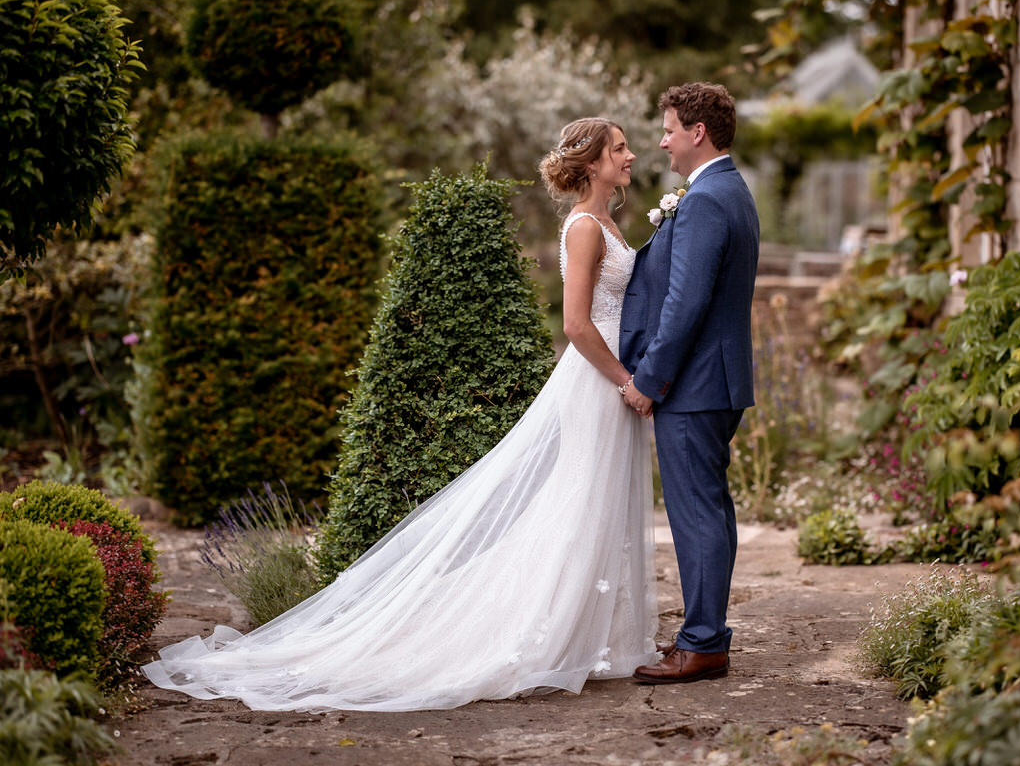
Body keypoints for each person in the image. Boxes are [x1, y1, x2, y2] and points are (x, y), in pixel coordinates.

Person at [141, 117, 658, 712]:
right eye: (619, 148)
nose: (630, 154)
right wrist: (626, 381)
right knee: (581, 501)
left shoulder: (609, 221)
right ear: (592, 163)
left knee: (597, 501)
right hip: (598, 380)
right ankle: (550, 634)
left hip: (614, 378)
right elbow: (573, 325)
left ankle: (594, 635)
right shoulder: (586, 228)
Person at [619, 82, 760, 684]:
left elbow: (685, 302)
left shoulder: (705, 200)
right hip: (717, 380)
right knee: (712, 510)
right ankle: (710, 636)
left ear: (697, 132)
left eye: (670, 128)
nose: (662, 140)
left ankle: (702, 643)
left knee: (697, 513)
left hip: (695, 384)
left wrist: (650, 378)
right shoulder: (732, 190)